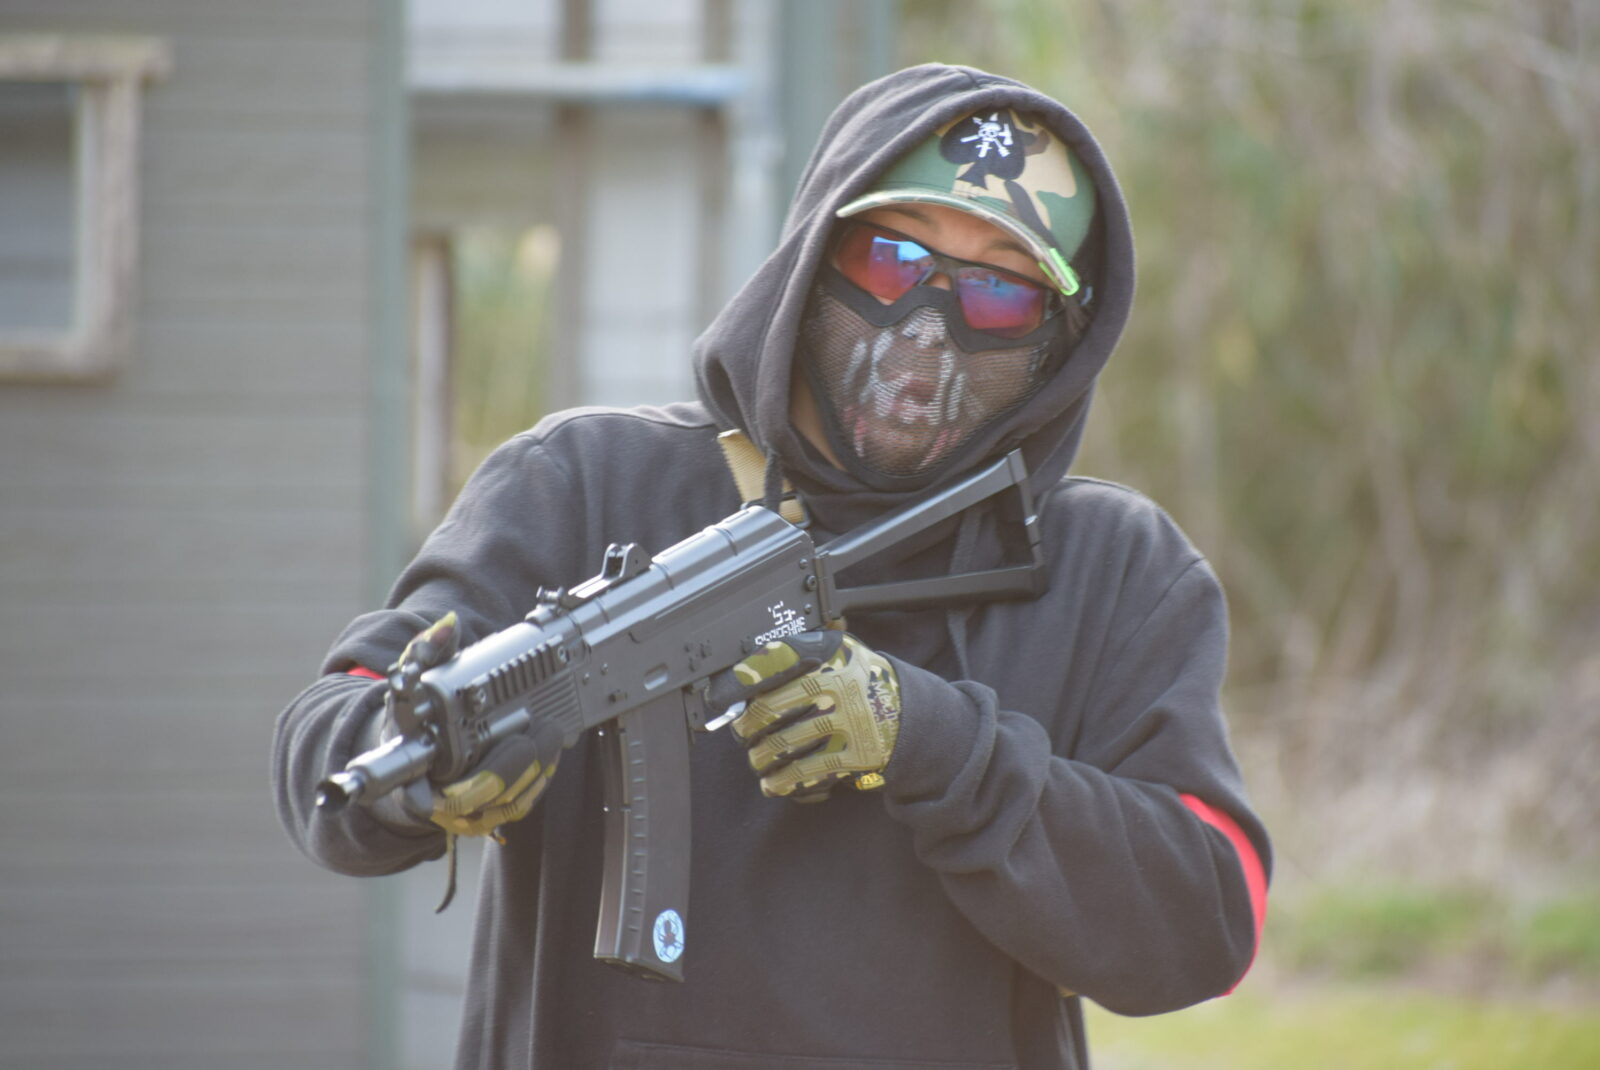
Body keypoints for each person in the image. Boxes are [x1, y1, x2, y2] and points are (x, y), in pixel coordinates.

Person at [274, 63, 1270, 1069]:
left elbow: (1210, 918)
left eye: (999, 292)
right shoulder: (581, 482)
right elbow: (331, 736)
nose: (929, 327)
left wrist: (933, 741)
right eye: (890, 258)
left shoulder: (1110, 567)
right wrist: (417, 773)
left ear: (1060, 339)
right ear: (812, 259)